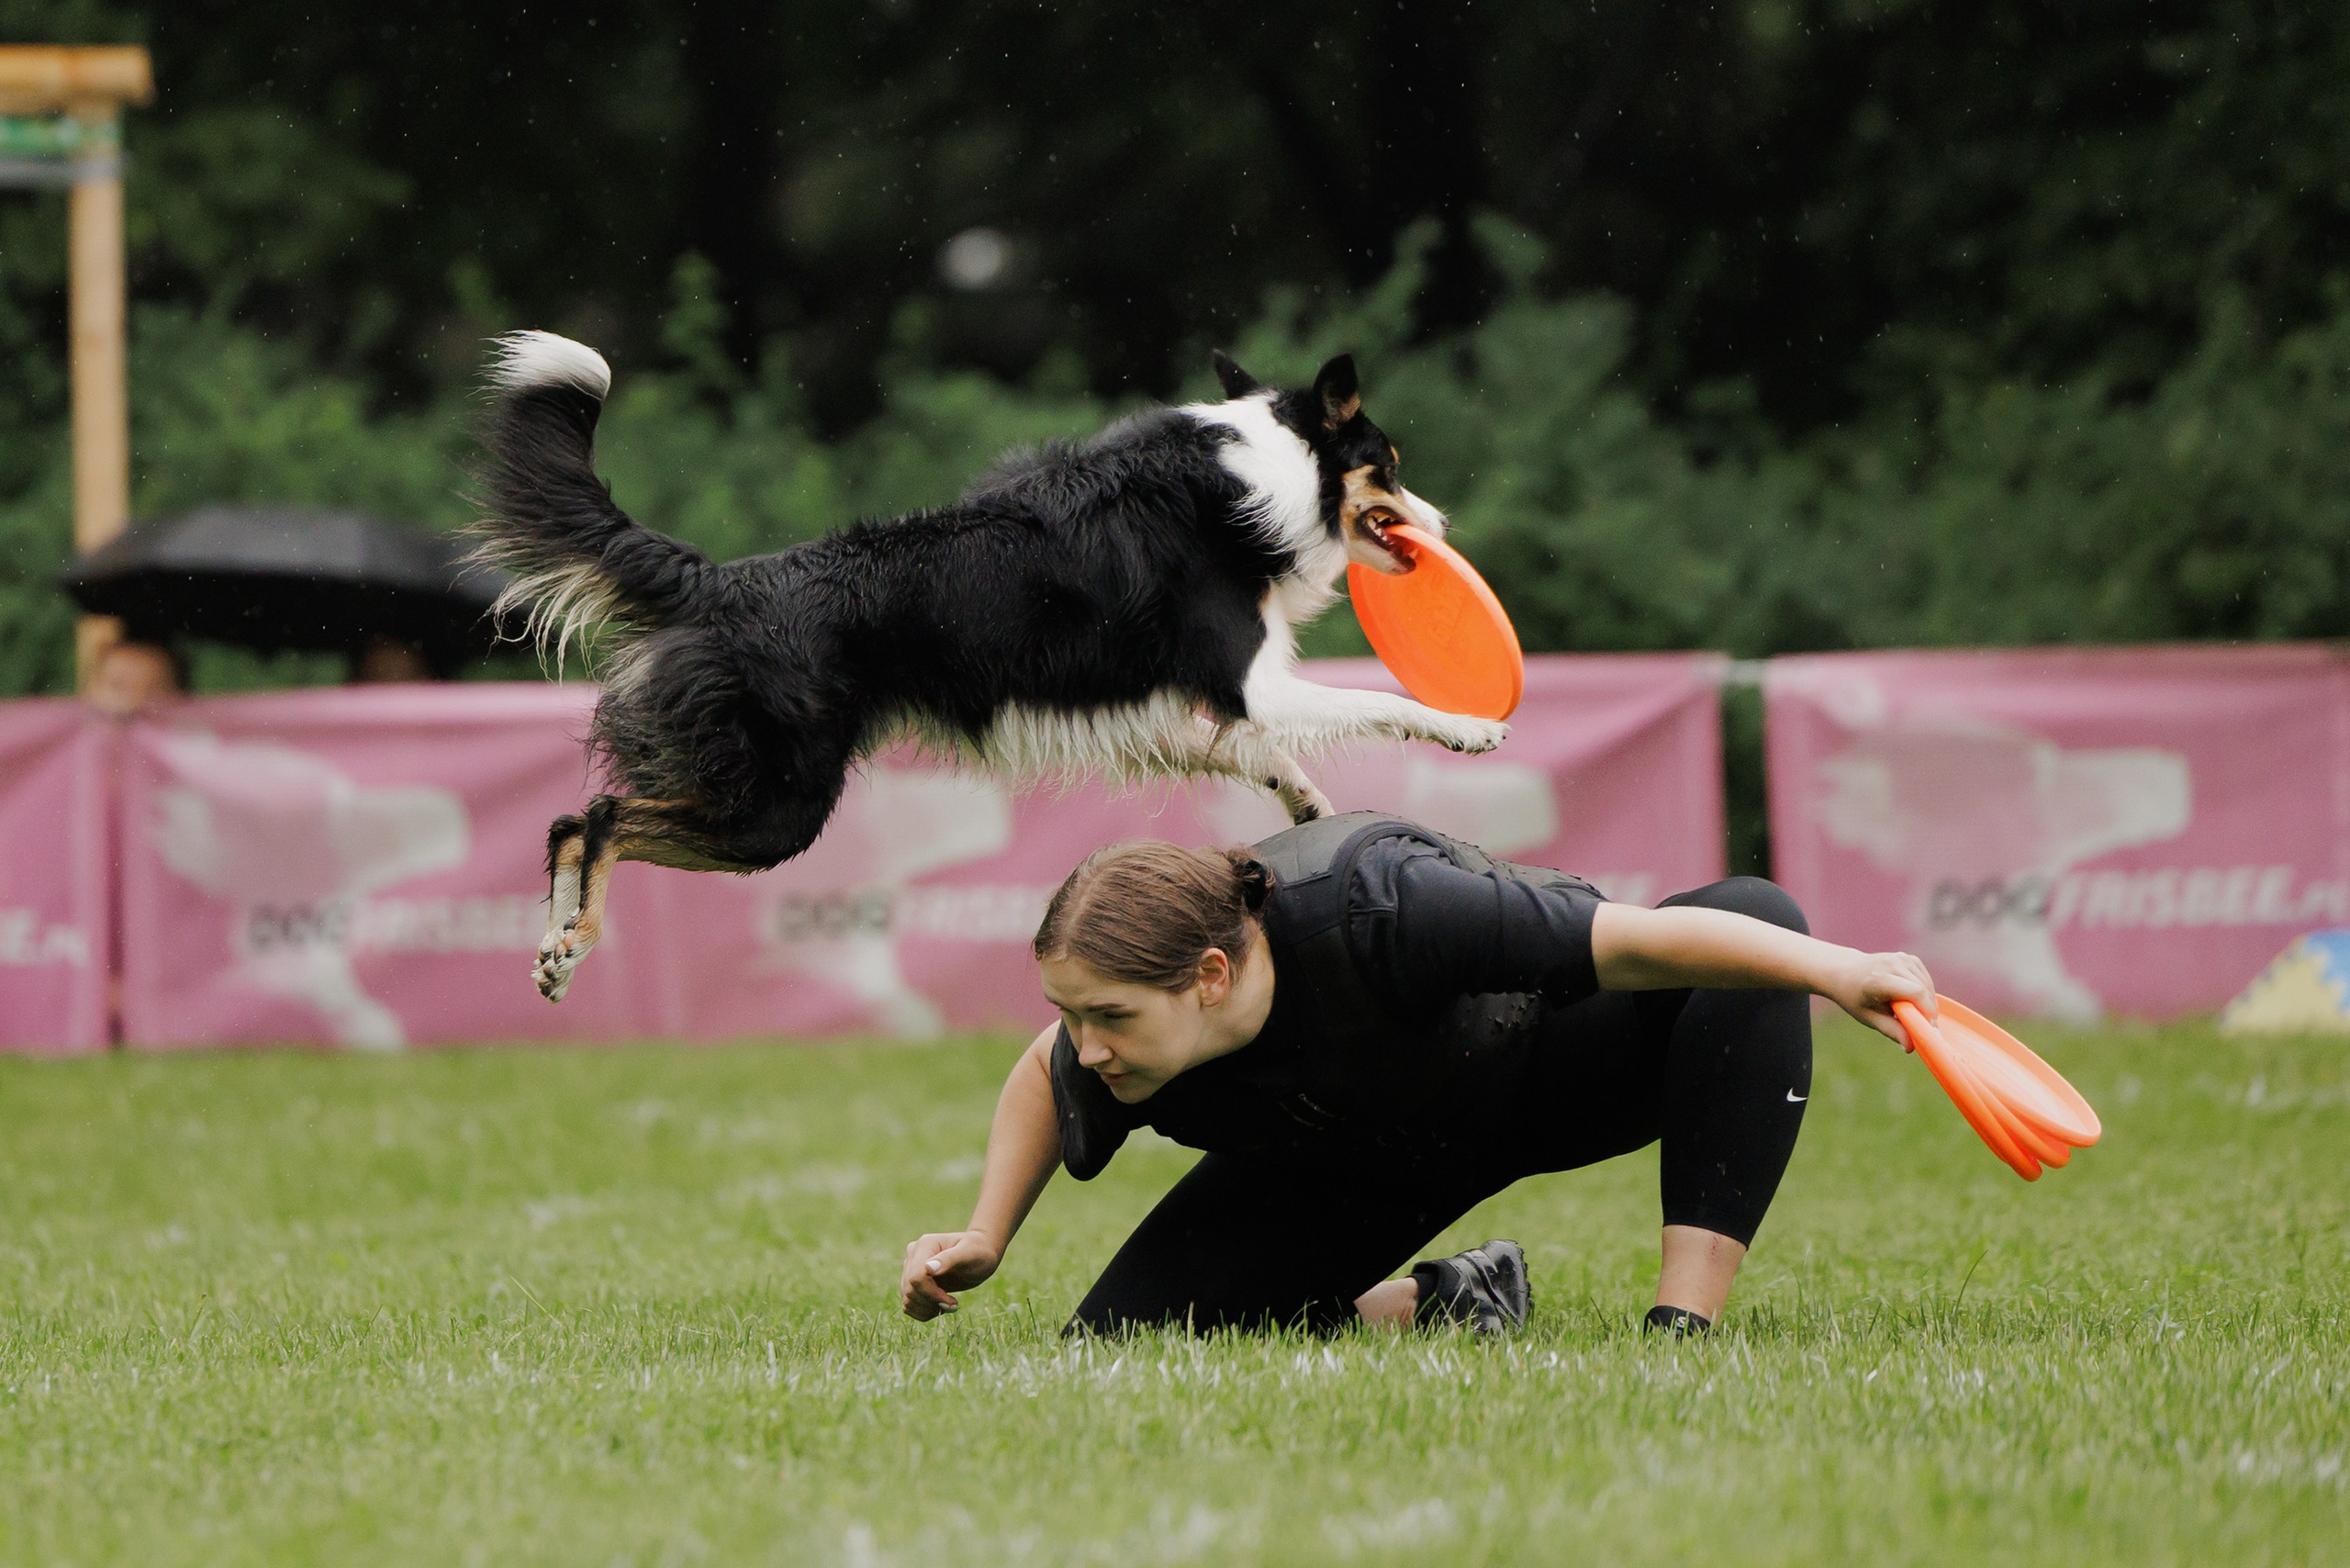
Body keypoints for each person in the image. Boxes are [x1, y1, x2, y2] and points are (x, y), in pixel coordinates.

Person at [900, 812, 1937, 1338]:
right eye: (1069, 1012)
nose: (1088, 1043)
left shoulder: (1383, 908)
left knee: (1758, 921)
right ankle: (1451, 1297)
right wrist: (986, 1234)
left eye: (1109, 1015)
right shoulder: (1113, 1041)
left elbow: (1645, 941)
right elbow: (1044, 1072)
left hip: (1539, 1074)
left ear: (1211, 974)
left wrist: (1838, 971)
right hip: (1357, 1160)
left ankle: (1680, 1328)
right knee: (1112, 1343)